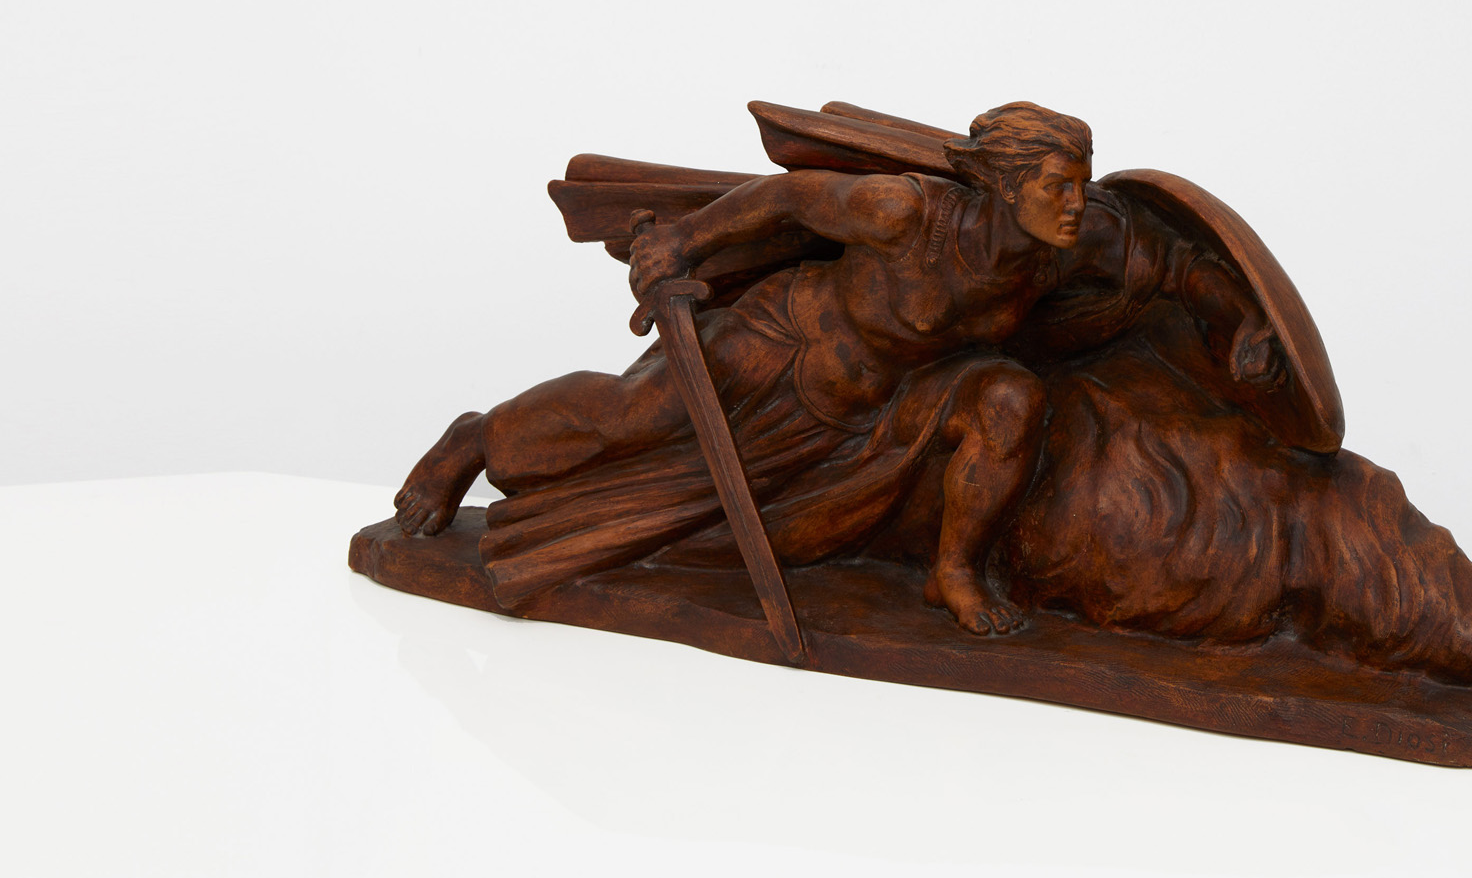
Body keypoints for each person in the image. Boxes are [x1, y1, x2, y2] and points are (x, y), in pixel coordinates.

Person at [393, 102, 1279, 636]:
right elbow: (785, 198)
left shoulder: (1069, 245)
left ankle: (954, 571)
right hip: (783, 350)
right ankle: (475, 440)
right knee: (629, 418)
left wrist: (1240, 323)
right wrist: (683, 241)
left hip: (898, 396)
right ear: (1007, 187)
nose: (1077, 203)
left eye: (1081, 184)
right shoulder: (905, 213)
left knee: (1010, 398)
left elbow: (1177, 265)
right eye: (1058, 186)